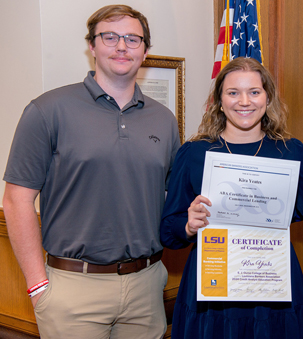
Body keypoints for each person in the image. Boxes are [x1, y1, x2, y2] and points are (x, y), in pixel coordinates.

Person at [2, 5, 180, 338]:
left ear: (145, 50)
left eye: (132, 38)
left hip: (146, 286)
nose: (122, 46)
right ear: (92, 46)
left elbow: (172, 197)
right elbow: (16, 200)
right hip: (73, 289)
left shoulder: (164, 120)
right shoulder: (47, 110)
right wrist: (37, 284)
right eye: (110, 37)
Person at [160, 57, 303, 339]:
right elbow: (168, 231)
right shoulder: (195, 153)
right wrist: (187, 225)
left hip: (273, 285)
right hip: (213, 287)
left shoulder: (290, 151)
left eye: (254, 92)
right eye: (233, 93)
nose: (244, 101)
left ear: (267, 97)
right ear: (219, 100)